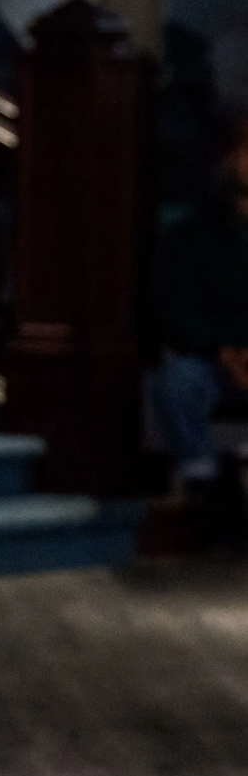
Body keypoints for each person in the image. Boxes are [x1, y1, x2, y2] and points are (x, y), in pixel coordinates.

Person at [152, 112, 248, 491]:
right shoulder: (193, 236)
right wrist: (224, 351)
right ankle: (200, 477)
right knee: (177, 381)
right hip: (215, 360)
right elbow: (179, 310)